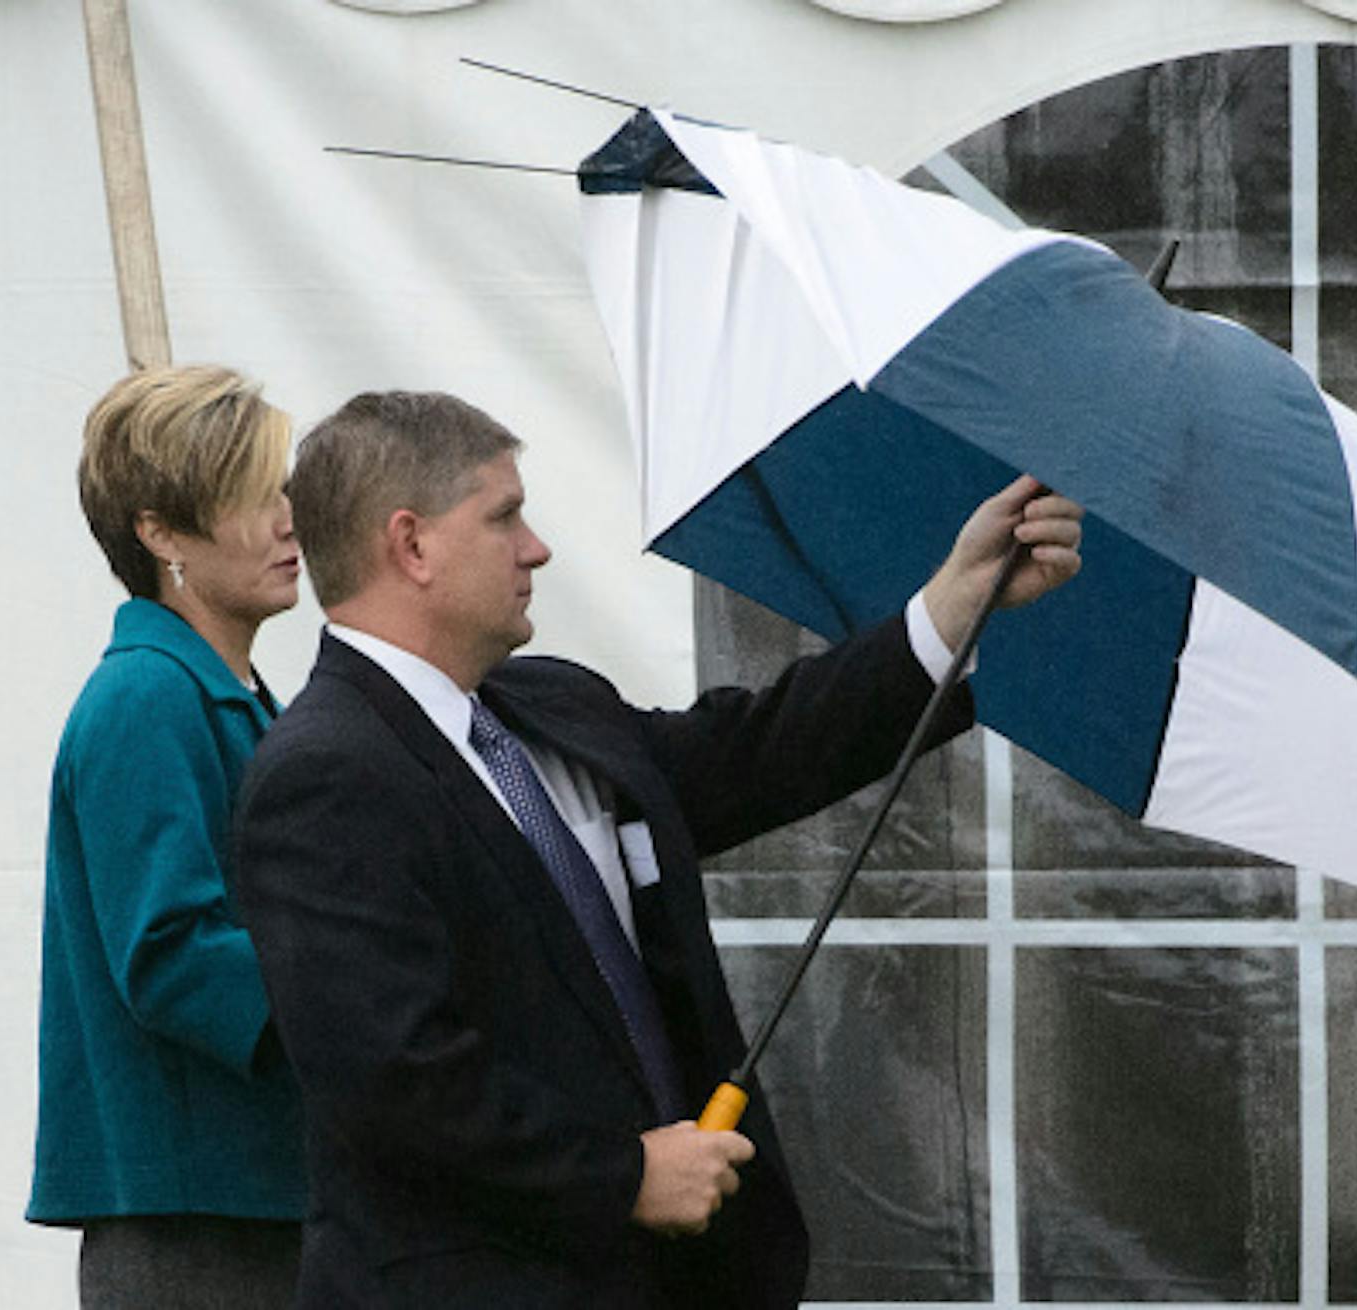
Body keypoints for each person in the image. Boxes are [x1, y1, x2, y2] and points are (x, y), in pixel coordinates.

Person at [231, 391, 1081, 1308]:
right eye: (504, 515)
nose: (537, 547)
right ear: (412, 544)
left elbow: (758, 753)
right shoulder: (323, 774)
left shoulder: (546, 706)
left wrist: (951, 608)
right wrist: (623, 1177)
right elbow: (395, 1082)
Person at [29, 365, 311, 1308]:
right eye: (251, 497)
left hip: (255, 1205)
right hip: (201, 1232)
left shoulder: (222, 694)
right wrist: (356, 1003)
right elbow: (172, 955)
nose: (288, 521)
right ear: (159, 532)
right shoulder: (146, 697)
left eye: (282, 489)